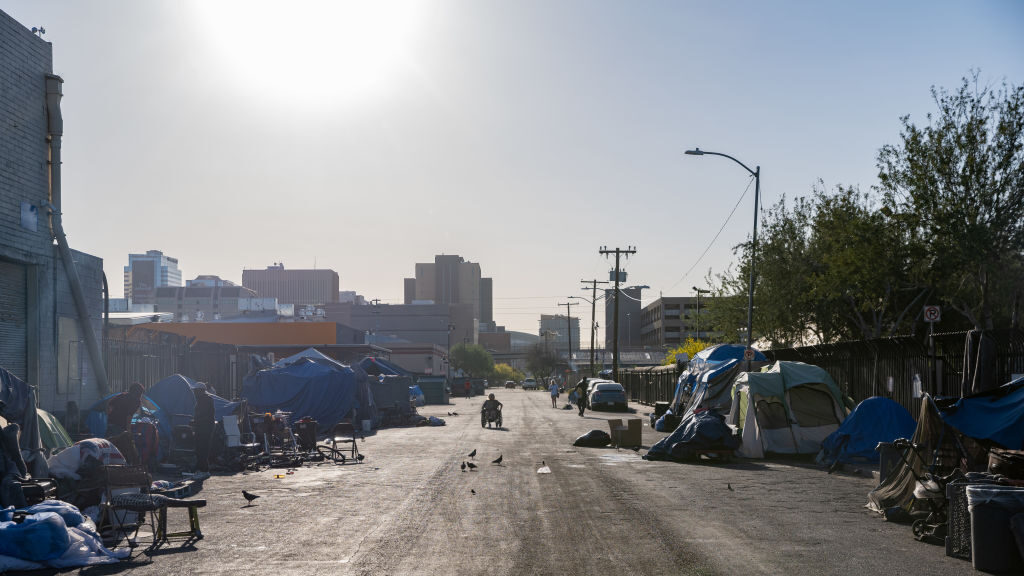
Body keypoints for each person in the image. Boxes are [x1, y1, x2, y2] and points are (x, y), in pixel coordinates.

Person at [192, 384, 215, 475]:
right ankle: (201, 467)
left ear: (200, 391)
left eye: (195, 391)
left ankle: (204, 470)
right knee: (199, 448)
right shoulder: (201, 400)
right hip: (201, 427)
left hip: (205, 428)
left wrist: (196, 421)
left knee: (203, 448)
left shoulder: (205, 400)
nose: (194, 392)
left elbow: (205, 415)